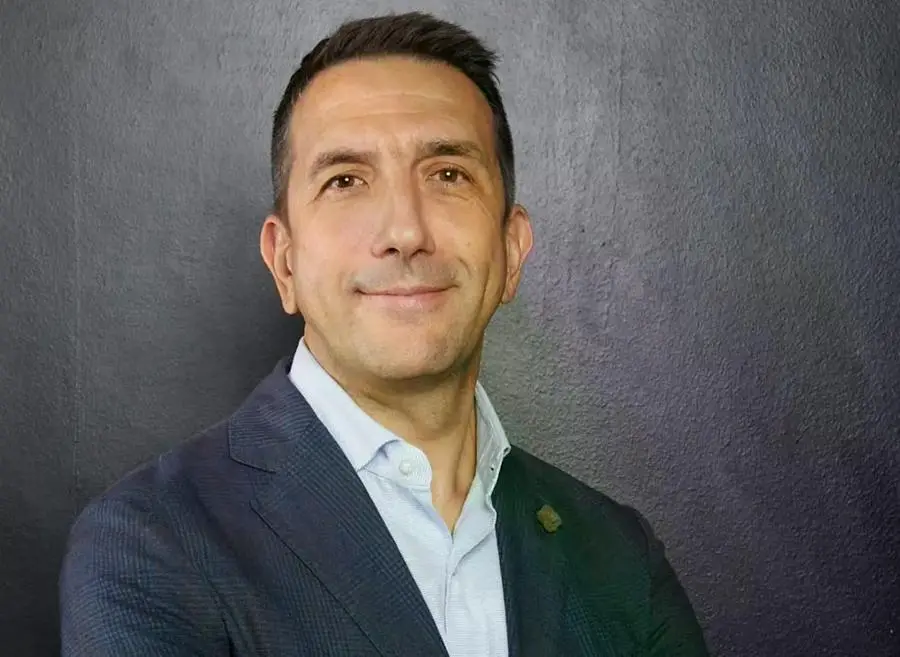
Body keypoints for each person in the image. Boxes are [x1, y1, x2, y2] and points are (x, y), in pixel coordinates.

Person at [59, 11, 710, 657]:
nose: (405, 231)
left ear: (511, 250)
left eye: (448, 174)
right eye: (345, 181)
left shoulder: (618, 553)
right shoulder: (150, 542)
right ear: (285, 263)